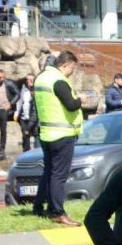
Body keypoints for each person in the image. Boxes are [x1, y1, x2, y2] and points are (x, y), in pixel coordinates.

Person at [33, 50, 83, 225]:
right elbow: (70, 105)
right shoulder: (58, 81)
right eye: (72, 68)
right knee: (59, 175)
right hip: (62, 134)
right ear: (65, 64)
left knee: (48, 172)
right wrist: (81, 100)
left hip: (46, 132)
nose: (72, 72)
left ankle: (38, 207)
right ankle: (57, 212)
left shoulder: (41, 78)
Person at [15, 74, 38, 152]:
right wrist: (17, 112)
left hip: (34, 118)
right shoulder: (23, 89)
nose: (28, 81)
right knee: (25, 136)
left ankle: (37, 154)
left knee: (36, 136)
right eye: (27, 79)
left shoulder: (36, 90)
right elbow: (20, 101)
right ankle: (26, 153)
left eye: (30, 80)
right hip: (24, 116)